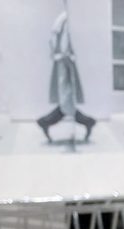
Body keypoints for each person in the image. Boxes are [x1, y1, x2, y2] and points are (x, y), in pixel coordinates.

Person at [36, 10, 96, 142]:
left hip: (64, 61)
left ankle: (46, 121)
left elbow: (56, 40)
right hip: (65, 62)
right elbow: (61, 43)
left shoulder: (65, 18)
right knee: (66, 99)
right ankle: (87, 122)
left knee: (67, 100)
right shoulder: (65, 18)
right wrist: (64, 56)